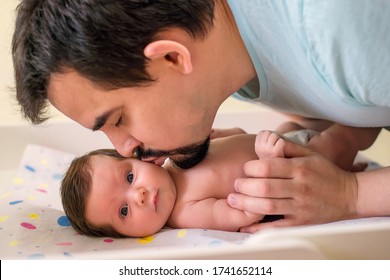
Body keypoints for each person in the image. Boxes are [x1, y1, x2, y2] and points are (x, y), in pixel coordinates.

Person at [12, 0, 390, 230]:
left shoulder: (341, 28)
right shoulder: (236, 70)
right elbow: (330, 101)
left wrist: (350, 195)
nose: (127, 150)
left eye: (117, 119)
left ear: (171, 57)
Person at [61, 125, 376, 238]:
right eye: (125, 212)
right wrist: (271, 163)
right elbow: (248, 210)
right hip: (300, 165)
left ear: (139, 158)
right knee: (339, 140)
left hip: (281, 137)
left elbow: (234, 141)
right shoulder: (186, 211)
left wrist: (227, 135)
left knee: (294, 122)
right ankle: (367, 122)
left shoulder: (176, 156)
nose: (139, 195)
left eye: (129, 177)